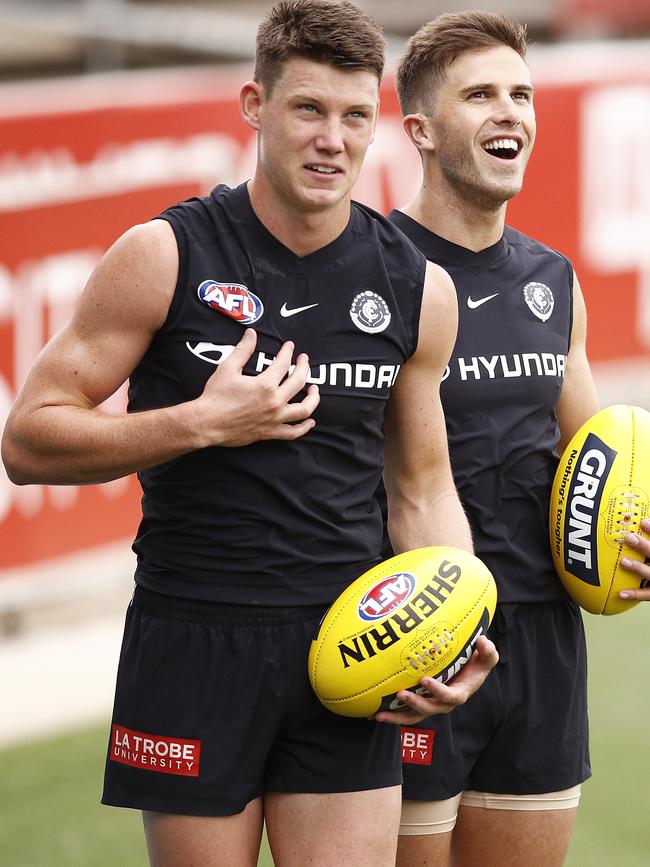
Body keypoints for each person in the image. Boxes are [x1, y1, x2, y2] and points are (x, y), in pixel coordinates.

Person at [0, 2, 498, 865]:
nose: (331, 140)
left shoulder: (418, 287)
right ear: (253, 105)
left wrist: (450, 625)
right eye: (307, 109)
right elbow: (30, 438)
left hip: (351, 646)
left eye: (354, 117)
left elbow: (423, 487)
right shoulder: (163, 254)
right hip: (193, 639)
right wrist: (202, 422)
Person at [380, 11, 647, 867]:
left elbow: (600, 459)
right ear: (419, 129)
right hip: (417, 647)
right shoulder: (371, 268)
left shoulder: (552, 279)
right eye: (481, 94)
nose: (511, 112)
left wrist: (638, 538)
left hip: (542, 645)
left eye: (521, 93)